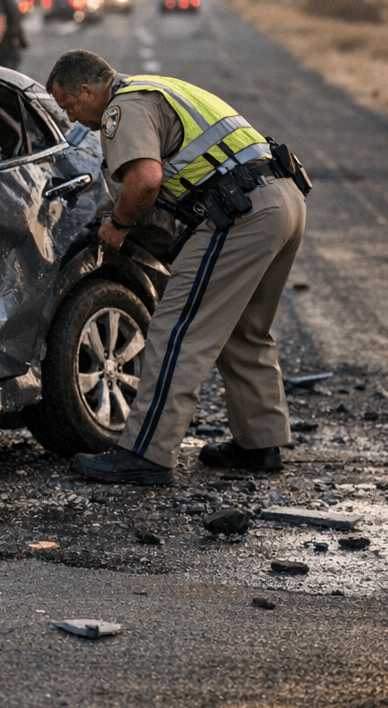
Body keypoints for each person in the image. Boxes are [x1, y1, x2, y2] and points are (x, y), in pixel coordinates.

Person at [46, 50, 308, 485]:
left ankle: (145, 454)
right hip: (284, 201)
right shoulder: (158, 88)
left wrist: (118, 225)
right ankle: (260, 443)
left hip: (238, 213)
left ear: (89, 91)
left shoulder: (122, 108)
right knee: (245, 329)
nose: (73, 118)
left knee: (177, 331)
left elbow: (145, 180)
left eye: (69, 105)